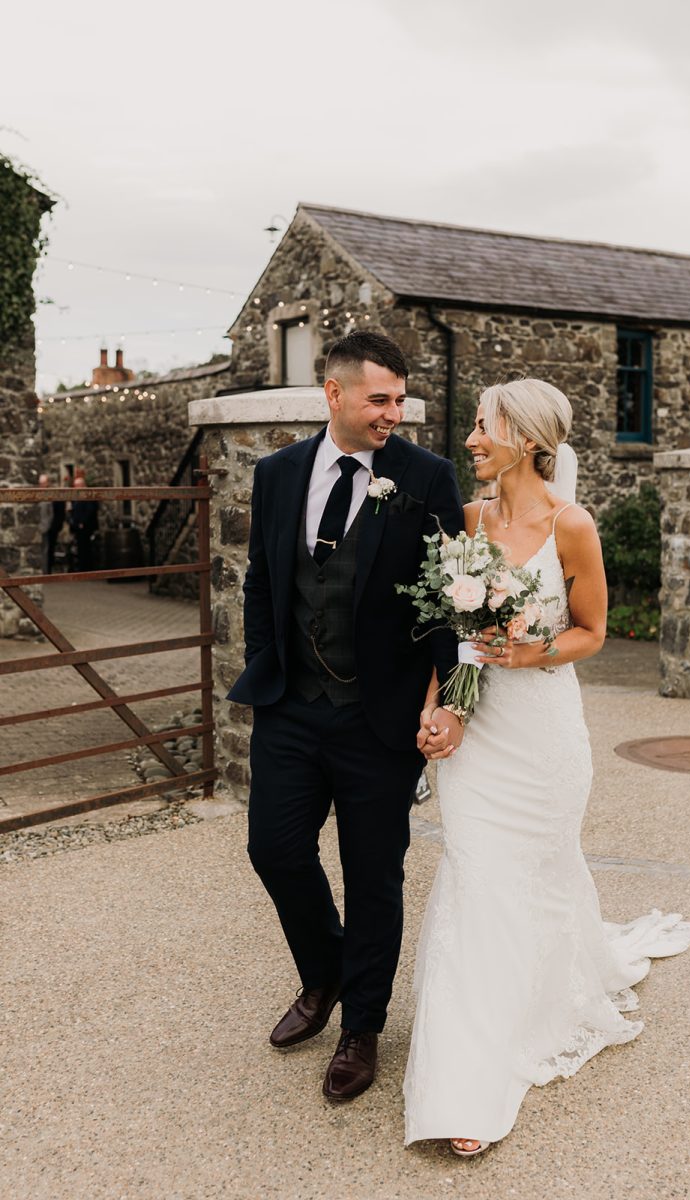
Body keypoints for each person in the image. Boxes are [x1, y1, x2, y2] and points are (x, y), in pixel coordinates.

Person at [405, 379, 690, 1157]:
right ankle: (464, 1077)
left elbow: (594, 631)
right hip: (476, 742)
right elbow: (449, 634)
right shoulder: (464, 522)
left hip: (541, 738)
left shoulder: (572, 526)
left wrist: (535, 648)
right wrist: (439, 708)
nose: (470, 440)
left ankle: (527, 1022)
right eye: (472, 426)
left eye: (482, 427)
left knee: (533, 879)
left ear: (527, 437)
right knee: (477, 879)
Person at [228, 331, 462, 1101]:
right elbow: (262, 583)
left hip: (378, 718)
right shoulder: (277, 474)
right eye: (380, 399)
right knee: (276, 850)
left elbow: (450, 607)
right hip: (292, 708)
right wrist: (269, 664)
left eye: (400, 398)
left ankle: (362, 1024)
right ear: (335, 395)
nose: (395, 412)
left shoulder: (426, 479)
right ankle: (323, 974)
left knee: (373, 878)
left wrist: (446, 703)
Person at [68, 471, 99, 572]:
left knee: (86, 548)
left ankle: (86, 568)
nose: (75, 488)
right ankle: (82, 567)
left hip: (86, 527)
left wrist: (83, 522)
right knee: (80, 548)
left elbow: (90, 510)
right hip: (78, 526)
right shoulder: (76, 497)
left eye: (77, 486)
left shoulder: (88, 495)